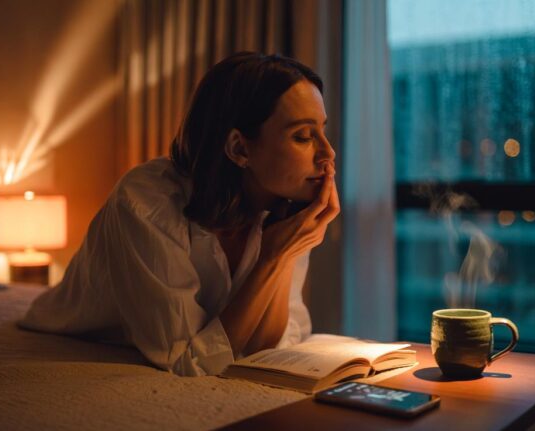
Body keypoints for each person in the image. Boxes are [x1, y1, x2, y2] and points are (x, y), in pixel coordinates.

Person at [19, 52, 339, 377]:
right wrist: (271, 257)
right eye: (302, 136)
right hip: (71, 333)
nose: (328, 153)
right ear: (239, 149)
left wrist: (282, 253)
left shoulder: (284, 208)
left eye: (323, 132)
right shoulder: (146, 202)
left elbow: (262, 350)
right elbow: (186, 363)